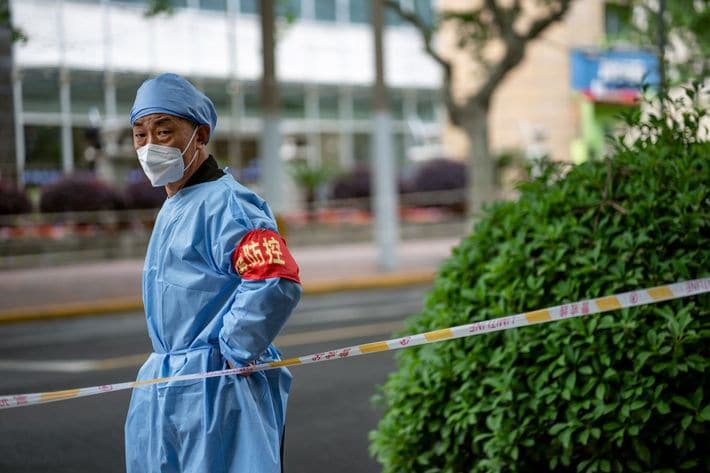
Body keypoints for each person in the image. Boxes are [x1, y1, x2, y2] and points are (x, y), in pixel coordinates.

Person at [124, 73, 302, 473]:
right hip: (166, 385)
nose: (150, 146)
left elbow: (275, 277)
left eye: (163, 131)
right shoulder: (176, 204)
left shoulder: (228, 204)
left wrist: (233, 350)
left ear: (200, 135)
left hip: (219, 390)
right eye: (140, 135)